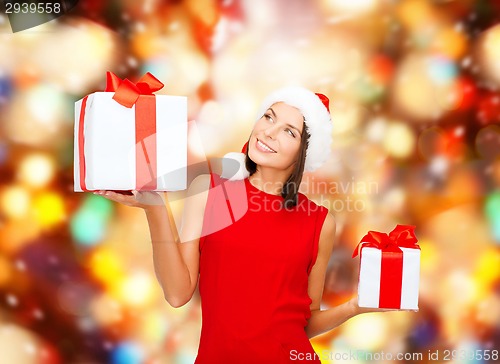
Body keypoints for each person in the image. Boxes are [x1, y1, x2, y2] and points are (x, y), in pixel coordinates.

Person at [95, 87, 384, 363]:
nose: (269, 132)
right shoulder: (209, 191)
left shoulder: (319, 222)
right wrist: (156, 209)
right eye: (269, 116)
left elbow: (303, 324)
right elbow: (177, 293)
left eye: (288, 131)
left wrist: (353, 308)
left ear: (302, 153)